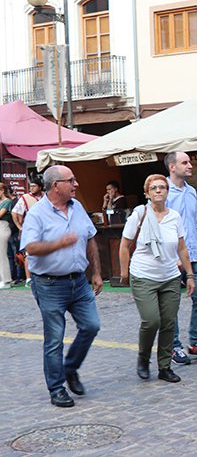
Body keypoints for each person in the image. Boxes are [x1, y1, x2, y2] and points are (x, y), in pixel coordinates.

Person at [20, 166, 101, 407]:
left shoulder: (78, 209)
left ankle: (70, 367)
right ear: (55, 185)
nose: (76, 184)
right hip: (49, 284)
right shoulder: (37, 213)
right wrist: (60, 243)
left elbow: (90, 238)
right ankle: (56, 389)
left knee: (92, 326)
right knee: (54, 339)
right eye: (71, 181)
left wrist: (96, 272)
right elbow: (30, 248)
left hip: (79, 281)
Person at [119, 174, 195, 383]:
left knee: (169, 323)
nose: (158, 191)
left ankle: (165, 366)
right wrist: (124, 272)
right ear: (147, 193)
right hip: (143, 275)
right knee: (152, 320)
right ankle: (143, 358)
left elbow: (181, 247)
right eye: (154, 188)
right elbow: (124, 246)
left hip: (170, 276)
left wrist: (190, 274)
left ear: (168, 192)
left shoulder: (175, 217)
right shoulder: (139, 214)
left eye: (162, 187)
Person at [164, 151, 197, 364]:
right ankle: (174, 346)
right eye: (185, 162)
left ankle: (195, 341)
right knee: (171, 303)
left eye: (190, 162)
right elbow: (161, 226)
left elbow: (194, 224)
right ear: (172, 167)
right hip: (172, 258)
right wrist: (172, 255)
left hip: (193, 254)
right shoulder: (163, 191)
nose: (190, 165)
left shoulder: (192, 191)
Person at [12, 177, 44, 287]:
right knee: (28, 254)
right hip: (30, 229)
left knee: (43, 253)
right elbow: (15, 212)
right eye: (31, 186)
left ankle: (42, 276)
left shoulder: (46, 197)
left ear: (40, 187)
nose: (32, 188)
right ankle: (29, 279)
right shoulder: (25, 198)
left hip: (44, 229)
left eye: (34, 186)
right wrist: (19, 227)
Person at [0, 183, 13, 288]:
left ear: (2, 191)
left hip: (3, 227)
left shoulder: (7, 201)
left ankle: (6, 280)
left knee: (2, 255)